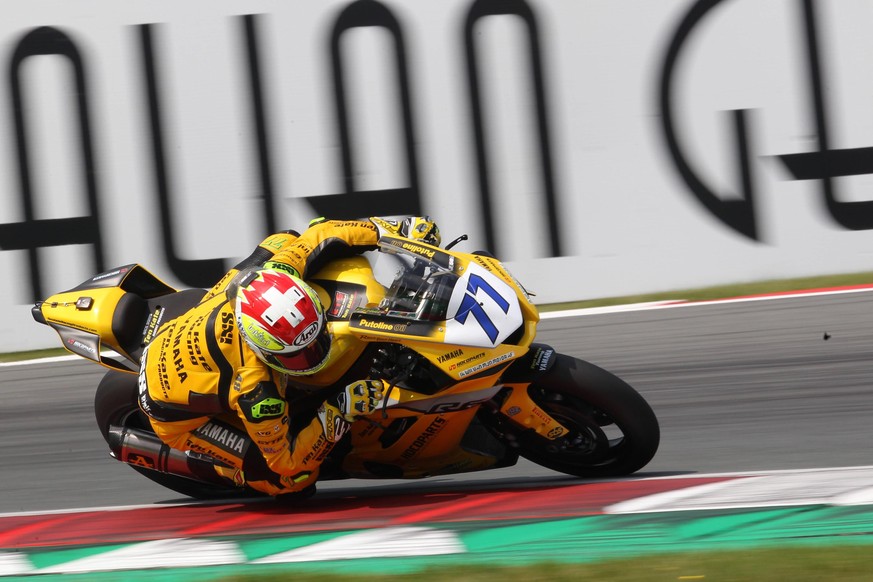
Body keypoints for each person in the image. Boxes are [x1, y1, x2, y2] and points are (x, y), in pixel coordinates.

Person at [136, 216, 441, 497]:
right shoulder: (256, 390)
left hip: (199, 327)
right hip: (170, 408)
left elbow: (324, 233)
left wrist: (395, 232)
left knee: (287, 239)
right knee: (291, 482)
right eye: (297, 356)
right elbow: (287, 461)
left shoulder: (278, 271)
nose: (313, 355)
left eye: (316, 339)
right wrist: (339, 409)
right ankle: (228, 472)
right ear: (262, 350)